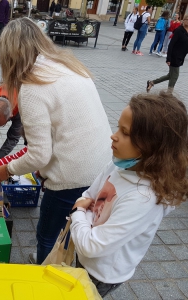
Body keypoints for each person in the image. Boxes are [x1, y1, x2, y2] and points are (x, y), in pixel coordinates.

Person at [0, 18, 112, 265]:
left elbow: (39, 155)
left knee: (47, 233)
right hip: (102, 167)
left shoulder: (34, 86)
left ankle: (45, 270)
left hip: (72, 175)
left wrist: (7, 169)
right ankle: (68, 263)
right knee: (79, 225)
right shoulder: (68, 66)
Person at [70, 92, 188, 297]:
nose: (114, 135)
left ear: (151, 146)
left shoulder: (142, 198)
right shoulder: (119, 166)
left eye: (125, 133)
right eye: (118, 128)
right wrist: (85, 216)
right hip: (88, 256)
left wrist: (79, 212)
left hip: (102, 272)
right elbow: (90, 193)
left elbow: (91, 244)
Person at [147, 14, 188, 93]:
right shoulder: (179, 30)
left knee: (170, 75)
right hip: (174, 56)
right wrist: (168, 58)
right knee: (175, 76)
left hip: (181, 57)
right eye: (187, 19)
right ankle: (169, 94)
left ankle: (152, 82)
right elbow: (171, 44)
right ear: (184, 20)